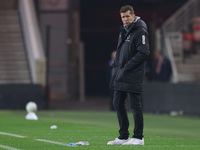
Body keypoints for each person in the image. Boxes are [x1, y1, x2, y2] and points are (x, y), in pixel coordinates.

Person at [107, 5, 150, 145]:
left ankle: (138, 137)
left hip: (132, 74)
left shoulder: (140, 31)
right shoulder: (124, 31)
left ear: (133, 15)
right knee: (117, 103)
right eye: (123, 17)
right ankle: (123, 136)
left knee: (134, 105)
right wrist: (117, 67)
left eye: (127, 16)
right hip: (121, 73)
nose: (125, 19)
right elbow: (121, 52)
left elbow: (144, 53)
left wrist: (127, 66)